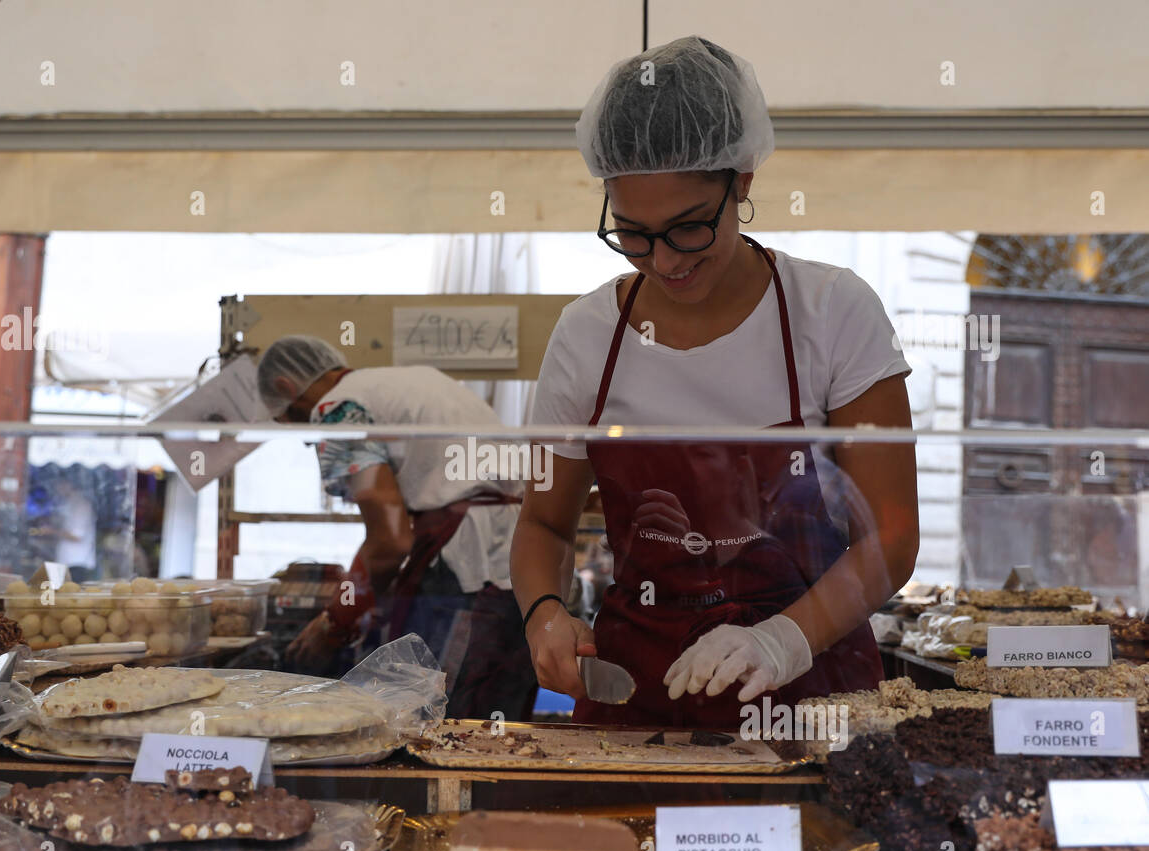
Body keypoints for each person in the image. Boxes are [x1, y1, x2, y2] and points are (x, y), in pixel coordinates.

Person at [512, 37, 919, 729]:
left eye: (689, 227)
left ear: (745, 180)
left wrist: (782, 638)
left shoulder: (833, 312)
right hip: (642, 699)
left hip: (811, 699)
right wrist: (542, 612)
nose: (664, 260)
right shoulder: (586, 335)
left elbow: (892, 533)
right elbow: (542, 522)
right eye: (633, 234)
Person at [257, 336, 539, 721]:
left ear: (286, 389)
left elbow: (390, 540)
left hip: (463, 570)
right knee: (498, 732)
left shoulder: (338, 409)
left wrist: (335, 623)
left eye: (290, 421)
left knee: (441, 726)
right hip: (518, 561)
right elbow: (392, 527)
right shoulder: (409, 383)